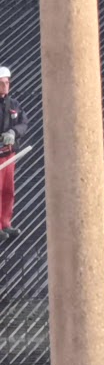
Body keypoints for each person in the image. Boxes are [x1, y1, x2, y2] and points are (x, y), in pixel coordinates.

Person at [0, 66, 30, 240]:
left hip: (9, 155)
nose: (5, 86)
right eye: (2, 83)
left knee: (8, 190)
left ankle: (6, 223)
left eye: (7, 82)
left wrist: (13, 132)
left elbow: (23, 122)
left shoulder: (13, 104)